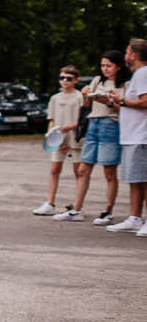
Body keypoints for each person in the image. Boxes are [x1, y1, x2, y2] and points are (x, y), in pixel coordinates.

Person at [56, 51, 127, 222]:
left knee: (109, 171)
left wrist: (110, 102)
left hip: (111, 125)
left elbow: (126, 108)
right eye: (102, 65)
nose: (105, 69)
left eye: (109, 66)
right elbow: (87, 105)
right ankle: (77, 209)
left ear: (118, 66)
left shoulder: (126, 84)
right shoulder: (97, 80)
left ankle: (107, 211)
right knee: (83, 169)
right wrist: (85, 95)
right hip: (93, 123)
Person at [109, 38, 147, 235]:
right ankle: (134, 218)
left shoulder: (143, 73)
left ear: (133, 55)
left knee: (144, 180)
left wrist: (122, 100)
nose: (125, 56)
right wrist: (116, 102)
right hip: (132, 135)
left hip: (141, 136)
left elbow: (145, 102)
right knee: (135, 179)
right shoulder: (138, 74)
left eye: (126, 52)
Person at [34, 66, 83, 215]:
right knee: (55, 169)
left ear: (76, 80)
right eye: (62, 78)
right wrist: (53, 137)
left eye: (68, 78)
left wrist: (67, 129)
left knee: (78, 172)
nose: (65, 81)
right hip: (58, 140)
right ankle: (50, 203)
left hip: (75, 139)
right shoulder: (55, 98)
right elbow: (51, 120)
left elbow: (82, 121)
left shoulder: (80, 97)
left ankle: (78, 205)